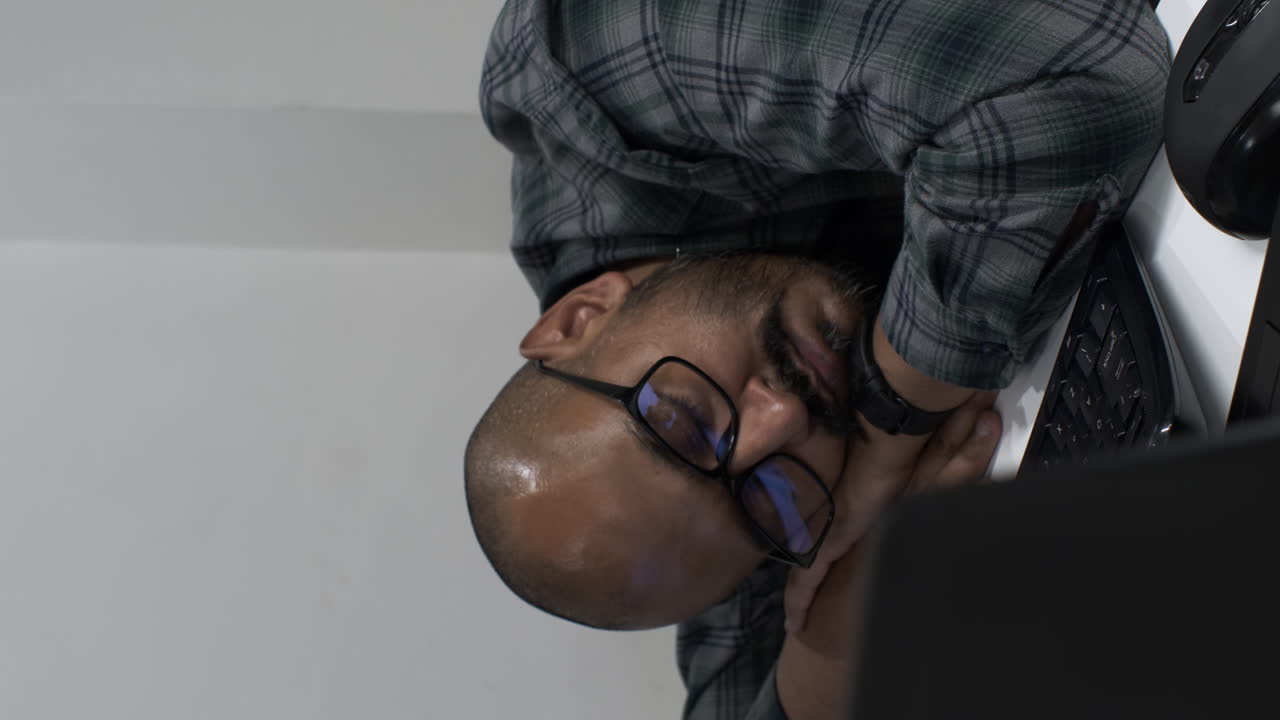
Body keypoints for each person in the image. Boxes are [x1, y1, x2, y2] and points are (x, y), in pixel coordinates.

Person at [464, 0, 1170, 716]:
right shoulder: (717, 514)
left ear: (579, 318)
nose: (783, 421)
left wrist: (891, 428)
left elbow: (1078, 81)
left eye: (685, 422)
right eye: (765, 505)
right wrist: (828, 638)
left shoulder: (590, 64)